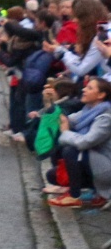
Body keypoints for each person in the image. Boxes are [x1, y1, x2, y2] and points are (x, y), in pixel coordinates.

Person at [46, 77, 111, 208]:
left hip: (106, 167)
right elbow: (66, 120)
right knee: (53, 175)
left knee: (70, 150)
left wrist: (65, 132)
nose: (84, 90)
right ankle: (93, 190)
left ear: (101, 95)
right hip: (94, 162)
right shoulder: (89, 110)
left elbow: (86, 142)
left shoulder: (106, 117)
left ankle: (74, 196)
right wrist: (50, 103)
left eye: (89, 88)